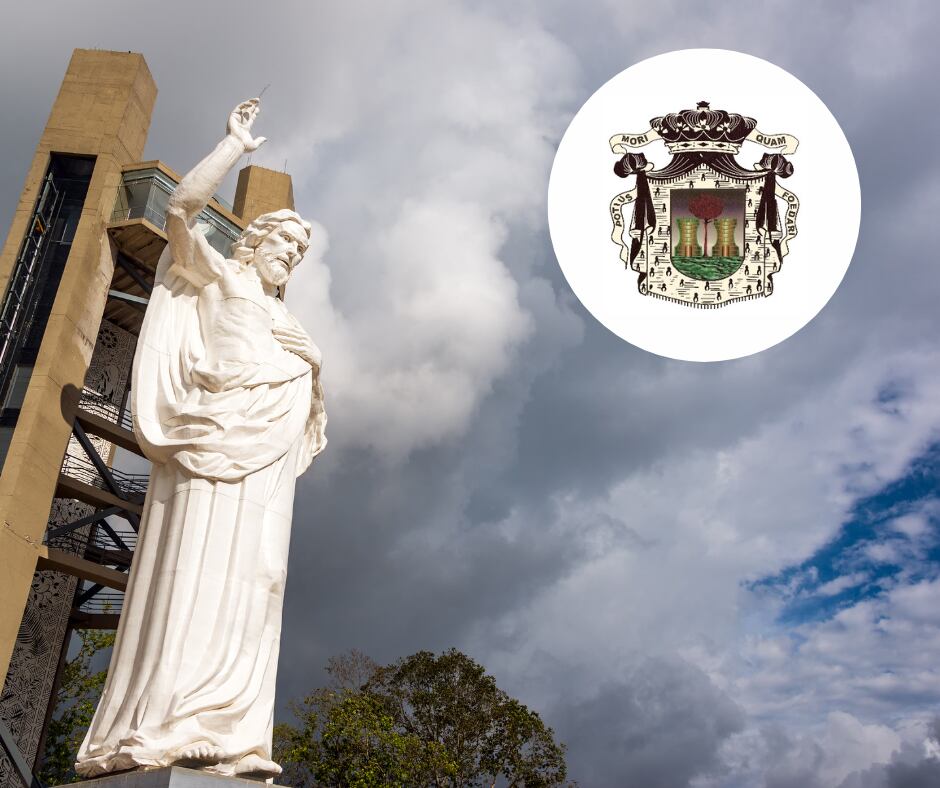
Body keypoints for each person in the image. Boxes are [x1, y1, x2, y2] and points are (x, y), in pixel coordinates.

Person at [75, 99, 327, 780]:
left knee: (259, 580)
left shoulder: (285, 320)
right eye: (283, 244)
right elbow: (181, 212)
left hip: (265, 462)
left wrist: (305, 374)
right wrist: (233, 146)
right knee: (194, 571)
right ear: (254, 243)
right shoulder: (221, 277)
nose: (291, 257)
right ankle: (170, 718)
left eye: (299, 253)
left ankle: (232, 730)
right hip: (212, 443)